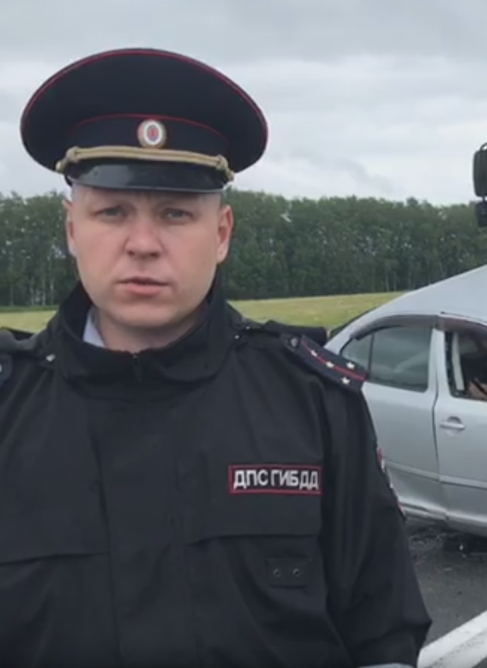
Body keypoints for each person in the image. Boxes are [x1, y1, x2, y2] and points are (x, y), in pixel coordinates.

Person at [0, 48, 431, 668]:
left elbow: (382, 630)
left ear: (222, 233)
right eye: (112, 211)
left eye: (176, 213)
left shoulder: (311, 402)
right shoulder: (9, 409)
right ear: (71, 229)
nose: (143, 245)